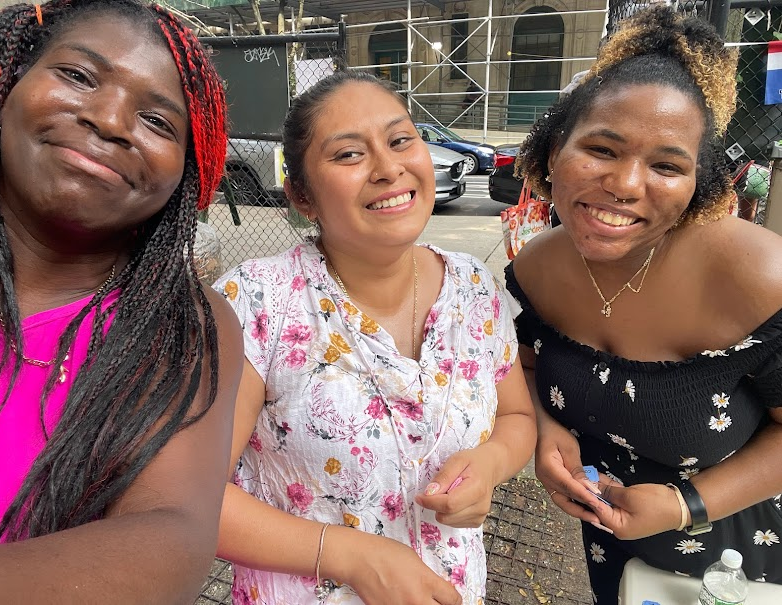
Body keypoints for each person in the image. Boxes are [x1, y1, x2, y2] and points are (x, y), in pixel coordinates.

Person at [214, 70, 537, 604]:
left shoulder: (474, 288)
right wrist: (349, 555)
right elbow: (188, 498)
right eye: (348, 155)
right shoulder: (256, 303)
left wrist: (491, 464)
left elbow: (517, 418)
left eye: (400, 140)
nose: (389, 169)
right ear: (301, 195)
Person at [506, 6, 782, 602]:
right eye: (602, 150)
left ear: (700, 181)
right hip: (617, 551)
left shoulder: (760, 278)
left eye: (666, 165)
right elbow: (527, 367)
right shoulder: (533, 270)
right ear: (555, 148)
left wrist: (687, 504)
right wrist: (544, 428)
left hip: (745, 563)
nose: (627, 185)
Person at [0, 1, 243, 602]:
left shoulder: (183, 328)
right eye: (78, 76)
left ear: (186, 173)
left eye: (158, 121)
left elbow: (170, 535)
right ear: (8, 79)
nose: (111, 120)